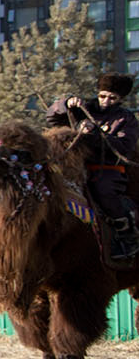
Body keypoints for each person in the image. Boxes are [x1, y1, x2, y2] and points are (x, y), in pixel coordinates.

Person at [47, 73, 139, 263]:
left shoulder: (126, 119)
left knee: (104, 192)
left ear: (120, 99)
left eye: (112, 98)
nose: (106, 101)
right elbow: (53, 119)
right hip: (75, 166)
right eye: (103, 95)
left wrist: (94, 134)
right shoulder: (84, 108)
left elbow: (123, 148)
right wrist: (65, 103)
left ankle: (127, 235)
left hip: (106, 170)